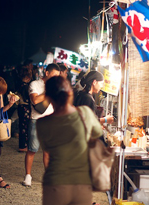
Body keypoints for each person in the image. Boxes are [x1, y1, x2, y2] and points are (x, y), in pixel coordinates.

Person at [36, 76, 103, 205]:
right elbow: (97, 132)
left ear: (48, 98)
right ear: (70, 94)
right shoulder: (86, 113)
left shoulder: (42, 123)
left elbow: (48, 148)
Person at [22, 63, 60, 187]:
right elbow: (35, 100)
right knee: (32, 150)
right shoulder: (35, 84)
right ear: (47, 73)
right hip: (36, 120)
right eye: (54, 76)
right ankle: (28, 175)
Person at [17, 66, 32, 152]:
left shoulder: (19, 84)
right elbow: (27, 98)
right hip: (25, 107)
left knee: (22, 126)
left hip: (20, 107)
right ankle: (23, 146)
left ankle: (22, 145)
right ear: (27, 77)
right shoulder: (25, 86)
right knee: (25, 127)